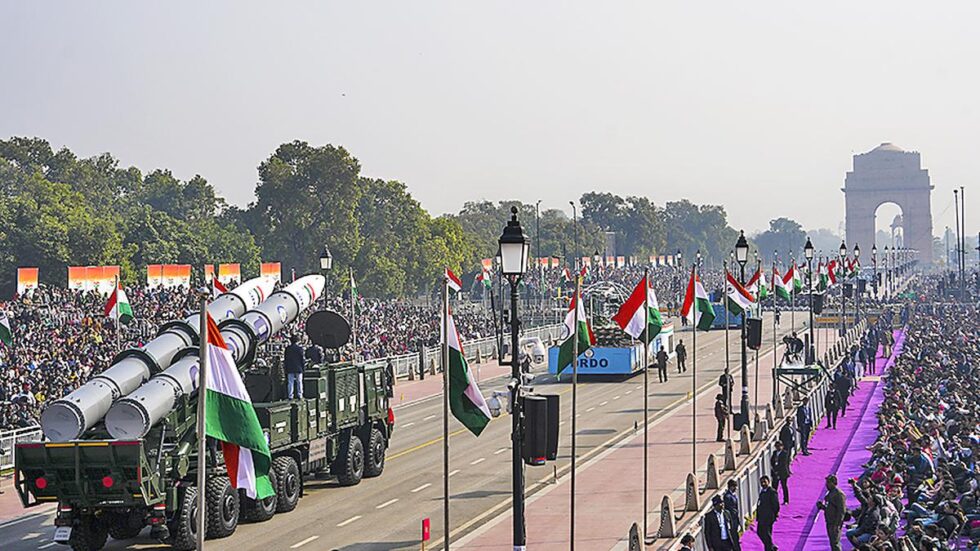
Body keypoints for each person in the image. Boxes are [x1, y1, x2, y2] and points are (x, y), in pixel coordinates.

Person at [816, 474, 847, 551]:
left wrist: (837, 524)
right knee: (832, 542)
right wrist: (822, 507)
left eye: (828, 483)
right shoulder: (830, 493)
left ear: (834, 483)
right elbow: (830, 507)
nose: (826, 485)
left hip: (835, 522)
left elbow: (841, 511)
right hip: (829, 520)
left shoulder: (839, 494)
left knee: (835, 542)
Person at [756, 475, 780, 551]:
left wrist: (774, 514)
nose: (763, 484)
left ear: (768, 482)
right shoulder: (762, 492)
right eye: (761, 482)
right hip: (761, 517)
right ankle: (771, 546)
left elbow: (776, 504)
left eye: (764, 482)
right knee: (760, 532)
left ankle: (769, 548)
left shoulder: (772, 492)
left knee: (766, 533)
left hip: (768, 517)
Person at [284, 335, 306, 399]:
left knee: (290, 382)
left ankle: (290, 395)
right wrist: (303, 368)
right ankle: (300, 394)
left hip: (290, 368)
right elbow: (302, 359)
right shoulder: (299, 349)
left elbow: (286, 359)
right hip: (298, 367)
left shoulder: (287, 349)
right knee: (299, 381)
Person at [771, 440, 791, 504]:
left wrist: (778, 471)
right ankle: (774, 500)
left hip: (783, 472)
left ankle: (786, 500)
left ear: (782, 446)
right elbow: (772, 461)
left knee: (784, 486)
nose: (778, 447)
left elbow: (783, 463)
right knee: (774, 487)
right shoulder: (774, 453)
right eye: (776, 446)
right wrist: (774, 470)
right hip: (775, 472)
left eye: (779, 446)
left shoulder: (785, 453)